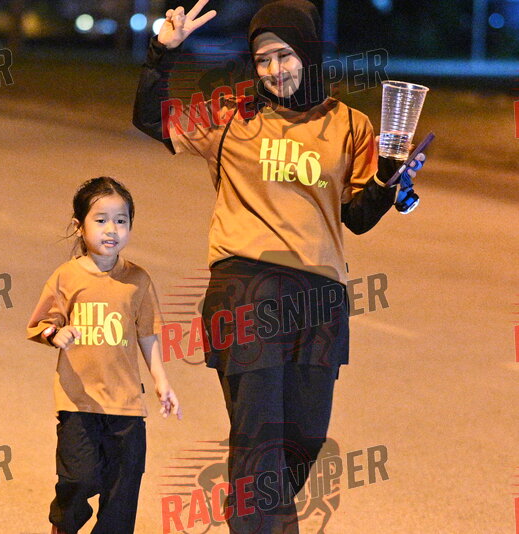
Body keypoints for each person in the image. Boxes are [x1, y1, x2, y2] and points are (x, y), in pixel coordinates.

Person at [133, 0, 427, 532]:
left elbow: (358, 217)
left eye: (284, 56)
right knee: (259, 438)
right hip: (245, 287)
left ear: (308, 54)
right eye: (263, 59)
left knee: (303, 440)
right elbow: (151, 119)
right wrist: (162, 52)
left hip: (319, 297)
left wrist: (390, 179)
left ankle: (253, 513)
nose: (274, 70)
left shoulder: (349, 124)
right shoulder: (232, 115)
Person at [27, 177, 183, 534]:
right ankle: (63, 526)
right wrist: (56, 334)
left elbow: (147, 333)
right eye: (100, 220)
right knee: (77, 479)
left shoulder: (137, 279)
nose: (111, 229)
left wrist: (162, 382)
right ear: (79, 226)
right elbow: (41, 324)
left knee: (121, 494)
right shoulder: (67, 276)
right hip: (78, 402)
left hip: (126, 406)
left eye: (121, 220)